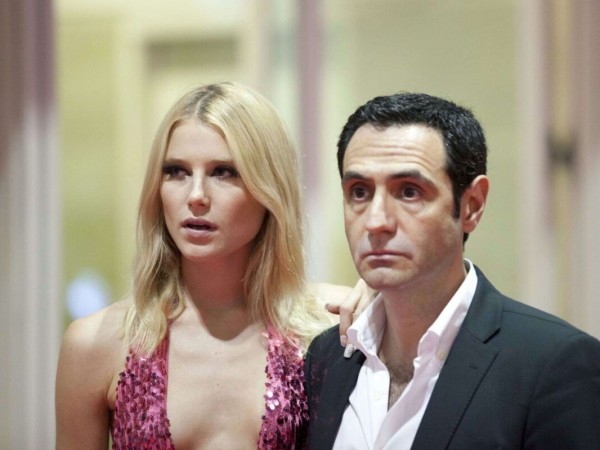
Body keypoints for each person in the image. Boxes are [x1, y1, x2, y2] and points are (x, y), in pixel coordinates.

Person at [55, 81, 363, 449]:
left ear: (269, 189)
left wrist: (384, 298)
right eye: (176, 171)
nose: (196, 196)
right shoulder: (95, 345)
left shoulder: (333, 323)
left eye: (224, 172)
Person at [305, 92, 600, 449]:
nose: (376, 221)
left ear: (472, 206)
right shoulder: (327, 356)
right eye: (359, 192)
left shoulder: (553, 364)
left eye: (409, 192)